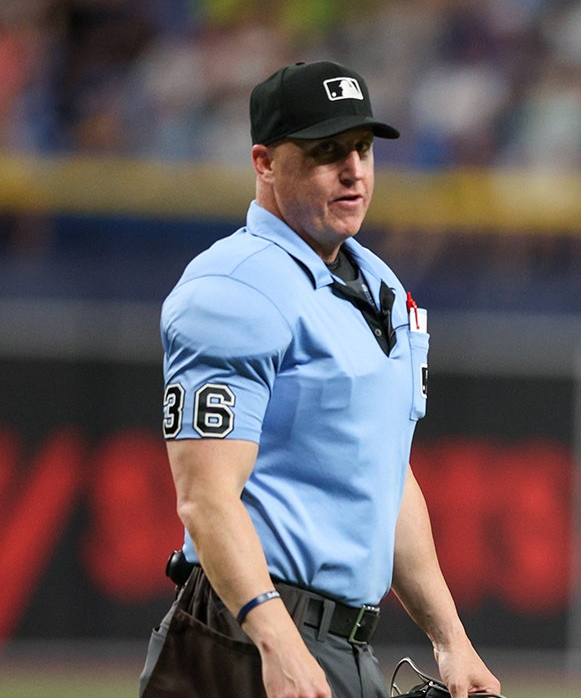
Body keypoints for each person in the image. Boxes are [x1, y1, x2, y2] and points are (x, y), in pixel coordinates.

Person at [141, 60, 501, 698]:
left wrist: (452, 641)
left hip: (344, 643)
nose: (353, 169)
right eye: (324, 151)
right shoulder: (234, 285)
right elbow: (206, 498)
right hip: (241, 636)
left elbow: (384, 475)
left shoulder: (382, 285)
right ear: (264, 162)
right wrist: (274, 640)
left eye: (361, 148)